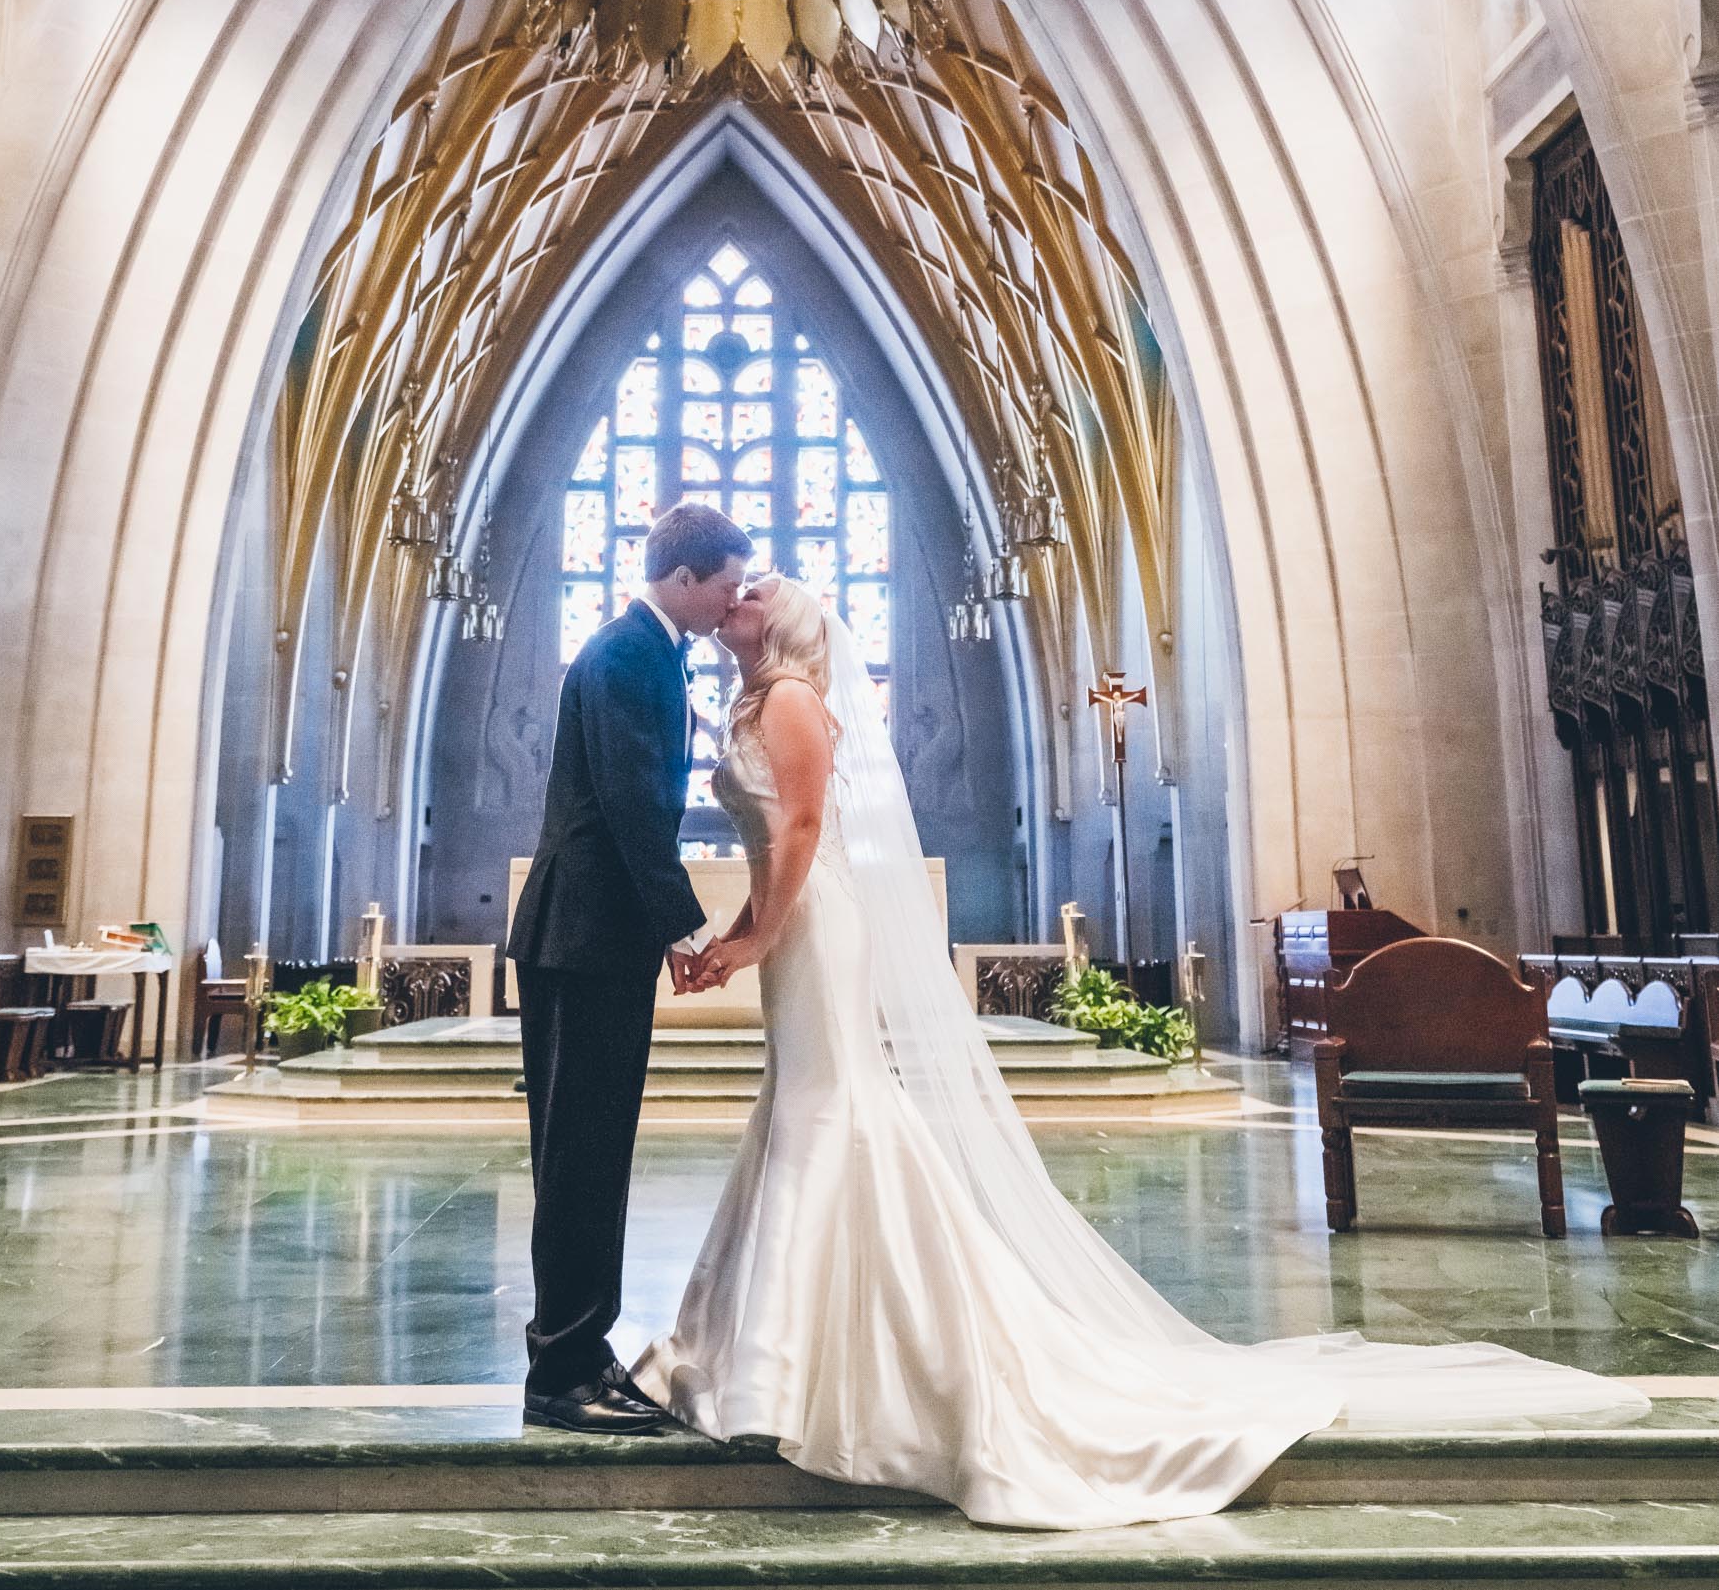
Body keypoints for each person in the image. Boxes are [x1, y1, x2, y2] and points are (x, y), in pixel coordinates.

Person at [637, 574, 1648, 1529]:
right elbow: (780, 838)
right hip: (794, 929)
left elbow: (805, 825)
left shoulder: (794, 704)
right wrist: (741, 933)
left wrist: (749, 936)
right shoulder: (758, 697)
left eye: (757, 587)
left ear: (786, 624)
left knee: (832, 1109)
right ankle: (788, 1352)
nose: (741, 591)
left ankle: (807, 1361)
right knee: (811, 1105)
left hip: (812, 929)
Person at [508, 500, 751, 1432]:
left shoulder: (652, 652)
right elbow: (625, 808)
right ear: (684, 577)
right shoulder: (623, 656)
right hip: (582, 934)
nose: (736, 599)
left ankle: (581, 1346)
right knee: (577, 1156)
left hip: (598, 934)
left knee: (594, 1153)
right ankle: (559, 1371)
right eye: (727, 582)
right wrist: (688, 931)